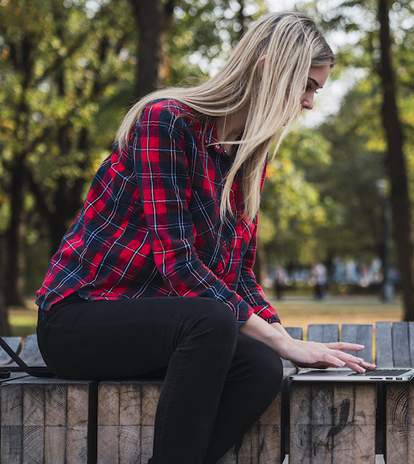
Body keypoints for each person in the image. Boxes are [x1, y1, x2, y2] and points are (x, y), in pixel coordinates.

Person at [33, 12, 375, 464]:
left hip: (167, 325)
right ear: (268, 68)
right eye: (308, 85)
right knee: (214, 321)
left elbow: (238, 277)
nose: (311, 102)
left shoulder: (246, 157)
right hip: (80, 319)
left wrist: (282, 338)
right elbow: (178, 264)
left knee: (262, 368)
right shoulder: (166, 122)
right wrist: (285, 341)